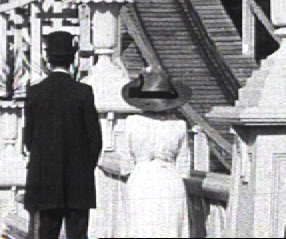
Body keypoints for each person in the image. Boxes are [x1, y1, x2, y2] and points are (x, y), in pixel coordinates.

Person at [23, 31, 102, 239]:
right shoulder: (83, 92)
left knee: (47, 232)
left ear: (47, 59)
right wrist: (84, 167)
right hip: (78, 179)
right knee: (77, 233)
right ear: (72, 58)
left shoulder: (35, 92)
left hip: (46, 178)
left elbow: (28, 139)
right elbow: (95, 139)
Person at [121, 69, 192, 238]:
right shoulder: (179, 125)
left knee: (140, 225)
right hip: (169, 180)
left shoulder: (131, 123)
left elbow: (125, 162)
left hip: (141, 179)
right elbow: (183, 166)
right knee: (169, 226)